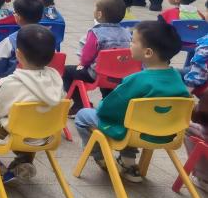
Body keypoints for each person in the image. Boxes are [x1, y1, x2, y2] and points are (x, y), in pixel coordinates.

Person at [74, 20, 189, 182]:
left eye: (133, 41)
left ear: (148, 52)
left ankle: (101, 157)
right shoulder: (177, 77)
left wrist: (102, 110)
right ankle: (128, 163)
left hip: (132, 132)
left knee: (83, 115)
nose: (130, 44)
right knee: (132, 117)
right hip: (166, 133)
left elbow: (107, 109)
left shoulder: (136, 79)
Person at [0, 24, 65, 187]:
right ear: (52, 56)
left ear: (18, 54)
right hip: (46, 136)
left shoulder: (12, 83)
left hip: (14, 136)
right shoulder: (56, 79)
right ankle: (23, 162)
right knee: (31, 121)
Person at [61, 0, 130, 114]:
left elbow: (87, 56)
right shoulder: (127, 33)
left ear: (99, 14)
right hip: (121, 73)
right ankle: (109, 104)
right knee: (108, 71)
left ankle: (80, 104)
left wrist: (82, 64)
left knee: (66, 71)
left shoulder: (95, 32)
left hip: (96, 75)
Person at [0, 0, 47, 79]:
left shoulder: (12, 39)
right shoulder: (48, 36)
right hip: (43, 78)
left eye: (14, 12)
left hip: (16, 79)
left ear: (18, 17)